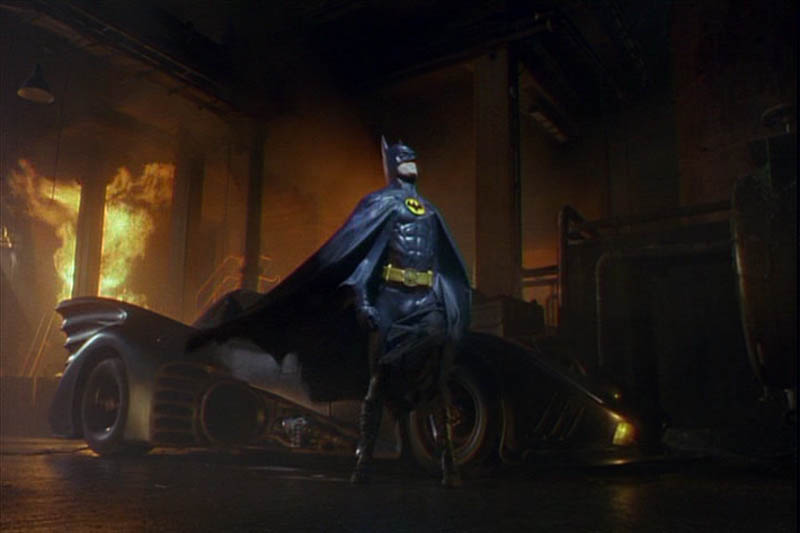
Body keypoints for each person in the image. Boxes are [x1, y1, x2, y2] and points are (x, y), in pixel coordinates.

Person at [189, 137, 471, 487]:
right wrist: (365, 301)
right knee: (380, 380)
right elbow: (361, 254)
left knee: (436, 381)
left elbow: (445, 263)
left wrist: (448, 305)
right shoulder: (381, 204)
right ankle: (365, 462)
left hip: (425, 302)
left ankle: (447, 464)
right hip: (392, 301)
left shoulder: (429, 211)